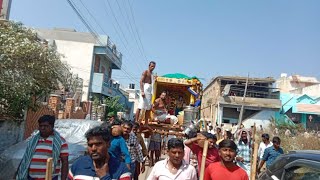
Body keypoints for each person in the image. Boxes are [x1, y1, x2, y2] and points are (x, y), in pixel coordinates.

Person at [16, 115, 69, 180]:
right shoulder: (33, 140)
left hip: (50, 178)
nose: (42, 128)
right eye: (41, 126)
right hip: (31, 178)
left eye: (46, 126)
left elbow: (65, 162)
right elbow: (26, 158)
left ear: (52, 126)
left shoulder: (60, 141)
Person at [135, 61, 156, 125]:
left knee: (148, 107)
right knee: (140, 106)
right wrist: (142, 91)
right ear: (149, 66)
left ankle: (146, 122)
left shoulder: (152, 74)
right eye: (152, 66)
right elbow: (141, 81)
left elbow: (153, 82)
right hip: (145, 88)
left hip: (150, 90)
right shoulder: (145, 72)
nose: (153, 67)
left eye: (154, 67)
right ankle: (136, 120)